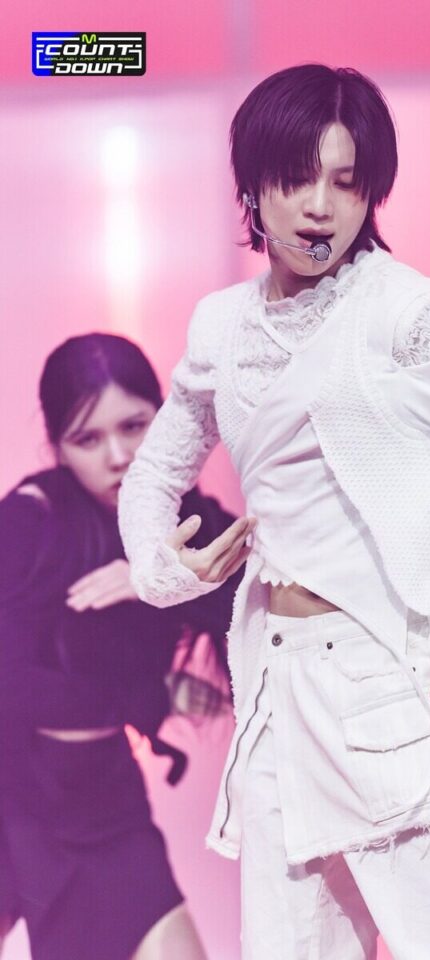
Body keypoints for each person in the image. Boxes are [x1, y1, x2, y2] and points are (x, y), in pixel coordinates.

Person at [118, 64, 430, 959]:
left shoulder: (409, 315)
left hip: (401, 689)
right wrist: (160, 568)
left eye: (346, 182)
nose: (320, 208)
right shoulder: (222, 325)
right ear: (251, 186)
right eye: (295, 178)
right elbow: (155, 472)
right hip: (277, 697)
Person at [0, 333, 245, 960]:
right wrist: (153, 693)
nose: (118, 457)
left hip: (106, 802)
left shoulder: (193, 520)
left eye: (134, 426)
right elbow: (12, 687)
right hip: (11, 800)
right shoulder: (30, 520)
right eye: (87, 439)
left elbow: (258, 615)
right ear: (57, 446)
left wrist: (157, 581)